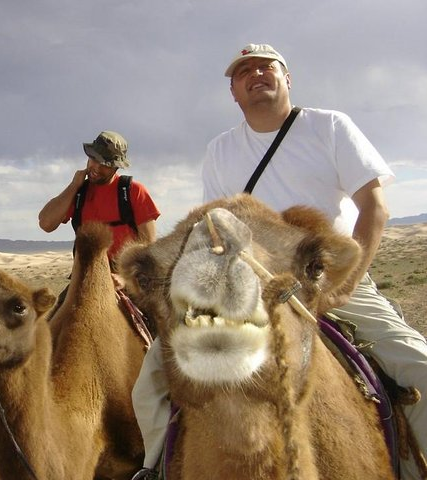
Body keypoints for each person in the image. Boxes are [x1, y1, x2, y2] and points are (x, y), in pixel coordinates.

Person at [132, 44, 427, 480]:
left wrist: (344, 285)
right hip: (245, 286)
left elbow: (374, 208)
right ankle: (153, 468)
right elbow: (217, 230)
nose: (256, 75)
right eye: (243, 72)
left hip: (326, 276)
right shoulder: (221, 150)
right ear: (233, 91)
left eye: (267, 67)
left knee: (418, 365)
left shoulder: (329, 127)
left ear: (287, 78)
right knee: (149, 385)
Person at [38, 130, 160, 267]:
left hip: (125, 276)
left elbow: (149, 246)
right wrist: (73, 186)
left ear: (116, 167)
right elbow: (45, 224)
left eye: (105, 164)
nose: (96, 167)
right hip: (85, 274)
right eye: (94, 159)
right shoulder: (78, 193)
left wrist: (125, 280)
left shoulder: (134, 191)